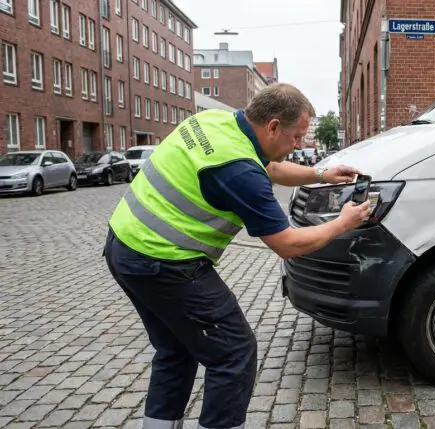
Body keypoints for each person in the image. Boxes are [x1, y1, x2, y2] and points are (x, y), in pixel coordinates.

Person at [103, 83, 371, 429]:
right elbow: (288, 244)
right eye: (295, 137)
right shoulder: (239, 172)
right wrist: (343, 222)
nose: (298, 145)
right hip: (164, 263)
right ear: (273, 126)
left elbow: (269, 167)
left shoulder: (218, 123)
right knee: (234, 354)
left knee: (175, 351)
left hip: (124, 246)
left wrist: (320, 174)